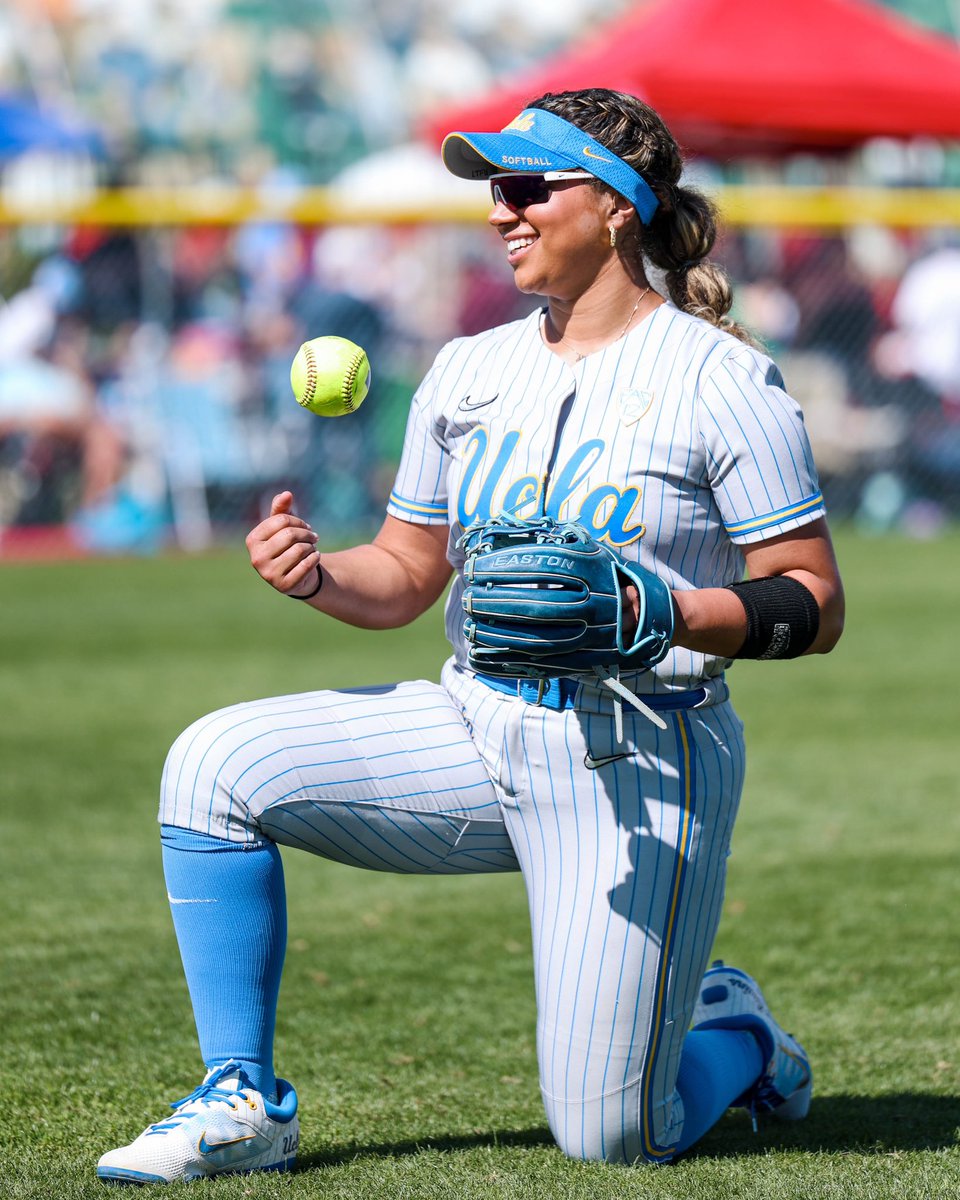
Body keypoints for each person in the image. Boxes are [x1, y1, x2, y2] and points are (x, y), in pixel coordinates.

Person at [96, 88, 844, 1184]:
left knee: (617, 1137)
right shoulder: (469, 371)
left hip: (639, 758)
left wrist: (666, 611)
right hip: (476, 723)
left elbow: (815, 601)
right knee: (213, 762)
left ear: (619, 208)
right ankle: (243, 1099)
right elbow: (403, 575)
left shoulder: (721, 380)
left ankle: (732, 1033)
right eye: (495, 189)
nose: (502, 209)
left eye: (529, 186)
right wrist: (316, 574)